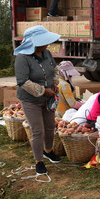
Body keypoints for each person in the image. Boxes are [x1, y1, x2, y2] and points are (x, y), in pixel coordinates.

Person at [14, 25, 62, 175]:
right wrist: (42, 91)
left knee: (49, 126)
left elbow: (55, 69)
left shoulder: (46, 53)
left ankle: (48, 151)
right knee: (37, 130)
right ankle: (38, 161)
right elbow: (22, 82)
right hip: (30, 99)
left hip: (48, 99)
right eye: (44, 42)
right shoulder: (23, 57)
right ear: (33, 43)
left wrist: (54, 83)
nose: (47, 44)